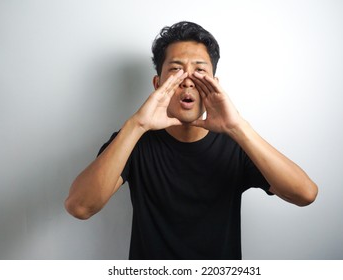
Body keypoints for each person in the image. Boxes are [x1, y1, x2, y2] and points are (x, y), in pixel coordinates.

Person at [65, 21, 318, 260]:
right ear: (158, 83)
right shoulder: (134, 141)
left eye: (199, 71)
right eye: (175, 70)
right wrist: (137, 124)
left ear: (214, 84)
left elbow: (305, 194)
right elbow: (80, 207)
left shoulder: (237, 144)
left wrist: (238, 127)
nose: (187, 80)